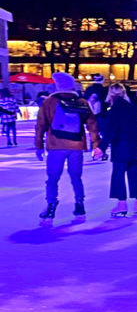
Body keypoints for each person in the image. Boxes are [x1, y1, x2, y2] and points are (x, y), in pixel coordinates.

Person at [35, 72, 101, 223]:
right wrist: (95, 144)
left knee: (52, 178)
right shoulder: (82, 102)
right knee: (76, 177)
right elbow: (92, 124)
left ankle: (51, 207)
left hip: (56, 145)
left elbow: (40, 125)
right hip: (76, 145)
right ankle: (80, 204)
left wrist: (39, 146)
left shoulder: (49, 102)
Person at [100, 84, 137, 217]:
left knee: (118, 176)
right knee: (134, 174)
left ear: (111, 94)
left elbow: (112, 132)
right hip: (134, 146)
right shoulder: (131, 107)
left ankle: (121, 205)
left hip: (121, 147)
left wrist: (101, 147)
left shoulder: (114, 109)